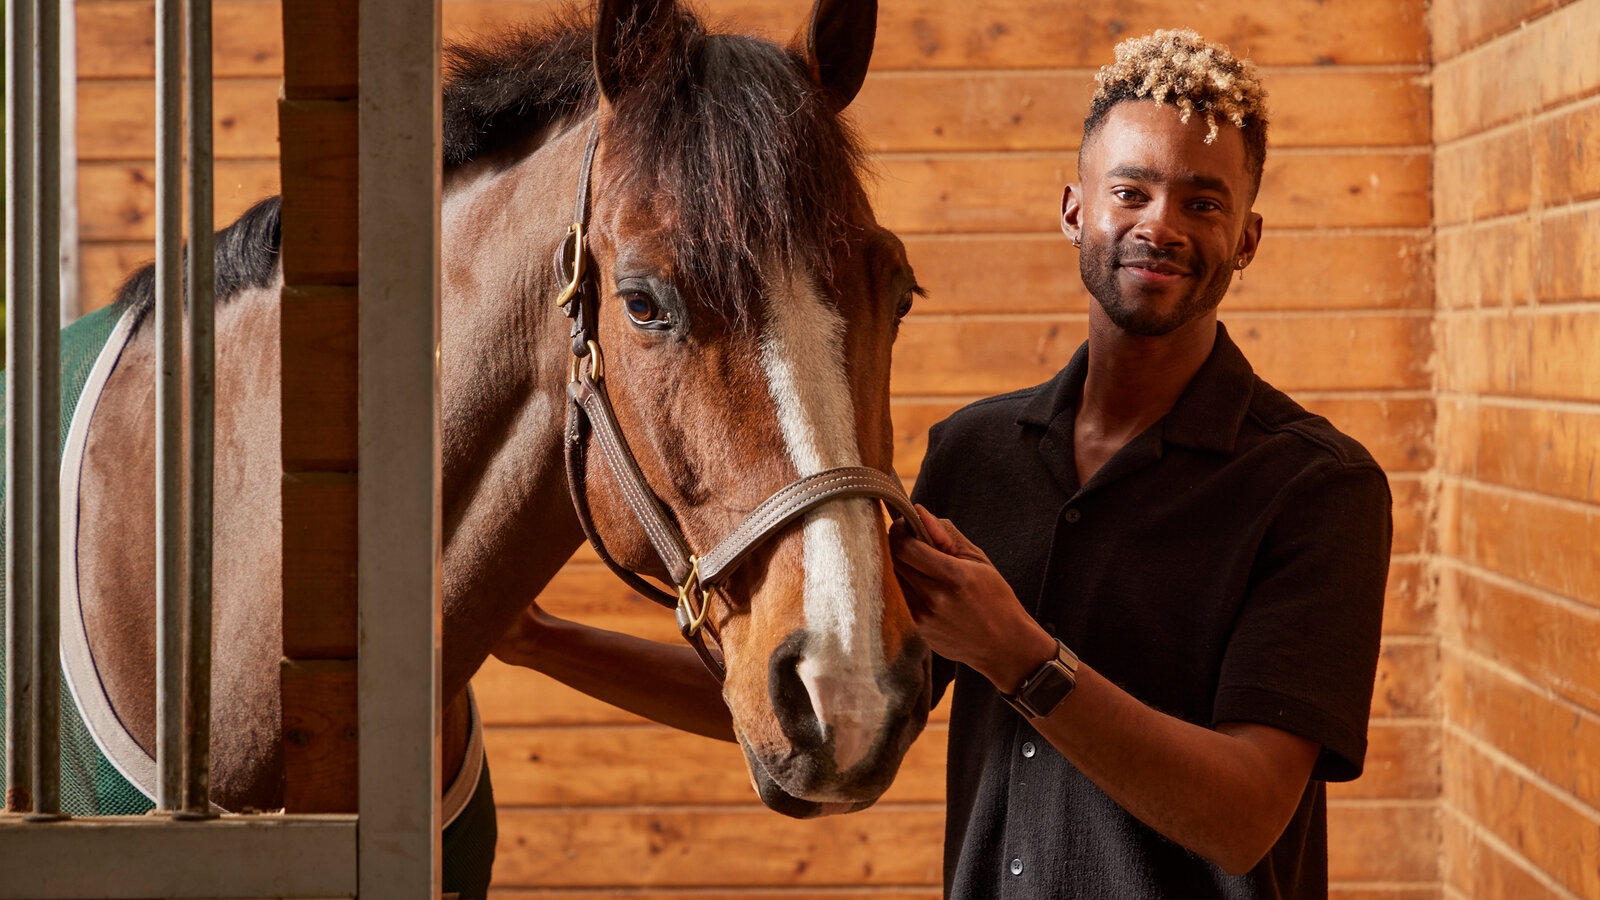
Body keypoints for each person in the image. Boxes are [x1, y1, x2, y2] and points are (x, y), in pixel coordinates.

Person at [887, 28, 1392, 898]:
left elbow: (1244, 821)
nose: (1161, 224)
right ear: (1075, 210)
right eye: (1132, 190)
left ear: (1247, 238)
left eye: (1203, 203)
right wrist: (560, 641)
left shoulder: (1319, 488)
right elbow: (821, 700)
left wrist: (1022, 659)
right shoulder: (972, 454)